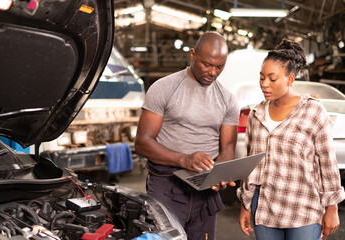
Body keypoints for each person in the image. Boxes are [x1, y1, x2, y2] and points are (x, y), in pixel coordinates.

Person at [134, 31, 240, 240]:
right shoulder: (164, 88)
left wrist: (220, 174)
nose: (212, 72)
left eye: (220, 67)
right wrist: (184, 159)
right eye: (206, 64)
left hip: (205, 187)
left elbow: (227, 146)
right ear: (192, 54)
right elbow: (142, 142)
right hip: (167, 183)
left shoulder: (228, 99)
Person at [237, 39, 345, 240]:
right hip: (265, 208)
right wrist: (246, 204)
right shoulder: (256, 113)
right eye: (261, 78)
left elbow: (327, 164)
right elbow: (251, 166)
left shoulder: (313, 111)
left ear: (290, 78)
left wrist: (332, 207)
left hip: (304, 208)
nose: (265, 84)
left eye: (272, 79)